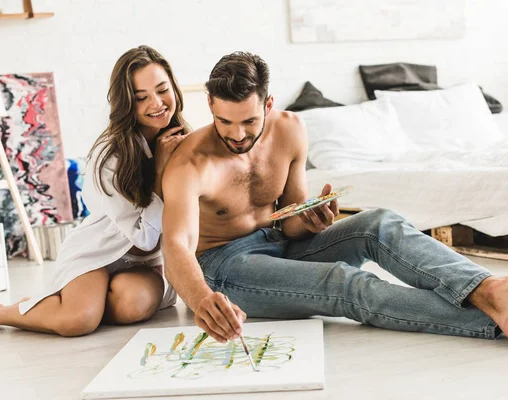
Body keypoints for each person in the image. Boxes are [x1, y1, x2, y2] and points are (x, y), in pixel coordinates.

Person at [161, 51, 508, 344]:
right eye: (224, 121)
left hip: (277, 243)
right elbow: (176, 245)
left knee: (380, 222)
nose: (237, 134)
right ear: (209, 104)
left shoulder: (291, 129)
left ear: (268, 104)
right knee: (345, 284)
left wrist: (312, 220)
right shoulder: (190, 163)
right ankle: (492, 321)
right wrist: (203, 299)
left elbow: (290, 225)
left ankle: (490, 289)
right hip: (223, 268)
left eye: (249, 121)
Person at [0, 45, 191, 336]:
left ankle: (56, 305)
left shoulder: (186, 143)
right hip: (98, 253)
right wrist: (159, 171)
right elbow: (145, 238)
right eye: (141, 97)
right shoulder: (110, 156)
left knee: (132, 306)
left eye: (162, 90)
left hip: (143, 265)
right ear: (126, 103)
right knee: (78, 321)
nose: (157, 103)